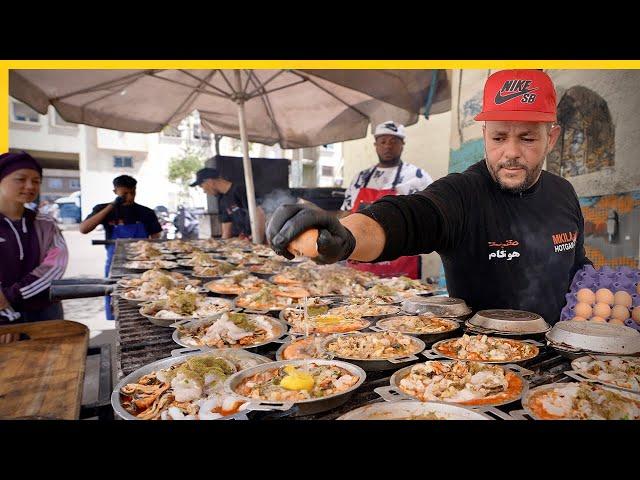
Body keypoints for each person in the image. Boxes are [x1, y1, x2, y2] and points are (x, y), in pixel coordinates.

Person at [268, 69, 592, 325]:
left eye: (526, 138)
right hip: (479, 365)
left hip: (560, 365)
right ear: (484, 136)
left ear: (551, 138)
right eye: (498, 137)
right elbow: (410, 217)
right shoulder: (463, 193)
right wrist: (347, 236)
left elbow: (577, 267)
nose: (510, 152)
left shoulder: (564, 193)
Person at [340, 120, 434, 279]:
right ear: (375, 144)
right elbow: (347, 215)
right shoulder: (360, 178)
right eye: (382, 141)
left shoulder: (418, 177)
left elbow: (428, 218)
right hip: (361, 267)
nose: (387, 146)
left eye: (393, 141)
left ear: (402, 144)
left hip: (401, 268)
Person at [79, 175, 162, 319]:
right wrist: (112, 205)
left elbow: (156, 237)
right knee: (116, 298)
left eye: (132, 192)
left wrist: (151, 253)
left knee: (145, 296)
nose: (129, 197)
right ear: (115, 191)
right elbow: (84, 229)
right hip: (116, 263)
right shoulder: (103, 209)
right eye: (124, 194)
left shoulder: (146, 212)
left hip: (143, 265)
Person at [0, 152, 69, 324]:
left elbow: (55, 266)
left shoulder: (45, 223)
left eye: (36, 181)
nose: (30, 186)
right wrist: (5, 317)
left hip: (44, 311)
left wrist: (11, 296)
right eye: (20, 179)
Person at [190, 167, 265, 242]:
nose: (204, 191)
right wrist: (222, 246)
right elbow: (226, 228)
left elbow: (260, 214)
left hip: (261, 238)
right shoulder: (221, 199)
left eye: (201, 186)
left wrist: (257, 241)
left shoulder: (240, 190)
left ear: (209, 181)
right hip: (244, 240)